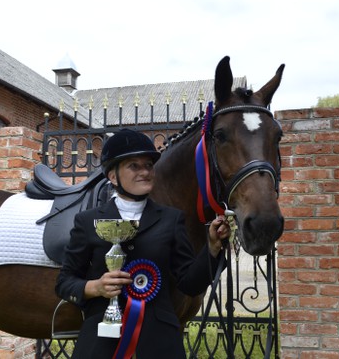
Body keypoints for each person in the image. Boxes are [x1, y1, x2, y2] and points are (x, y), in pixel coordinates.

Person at [55, 128, 230, 359]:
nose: (145, 172)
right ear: (113, 176)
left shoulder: (172, 219)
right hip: (102, 339)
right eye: (134, 166)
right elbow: (65, 283)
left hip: (160, 342)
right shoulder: (88, 221)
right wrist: (95, 287)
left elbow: (189, 284)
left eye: (148, 165)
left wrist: (212, 248)